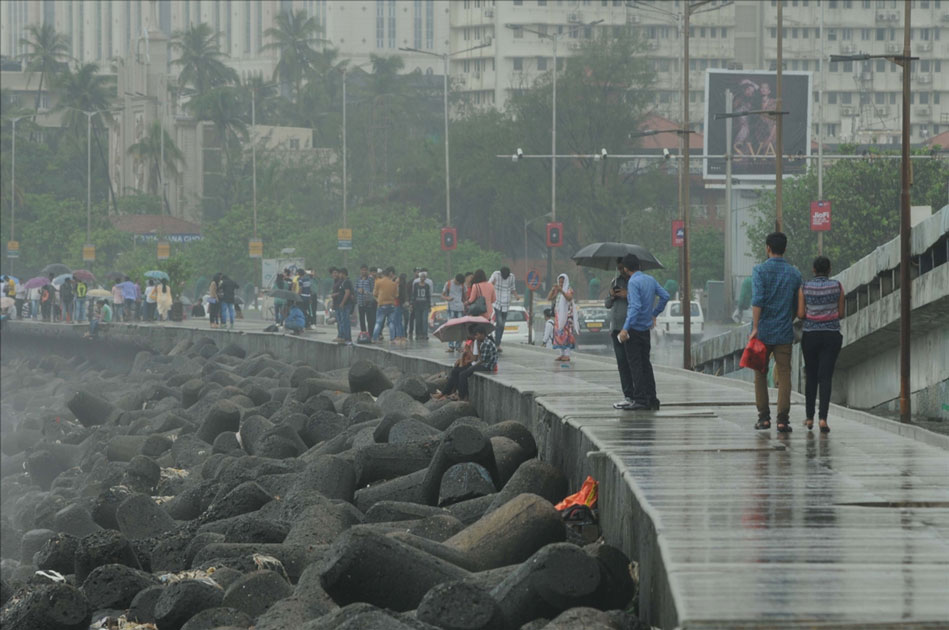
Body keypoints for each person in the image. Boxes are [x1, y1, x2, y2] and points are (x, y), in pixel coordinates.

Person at [749, 232, 802, 433]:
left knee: (760, 374)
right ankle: (783, 420)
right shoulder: (794, 274)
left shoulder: (759, 271)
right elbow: (798, 307)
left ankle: (763, 418)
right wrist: (787, 320)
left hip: (762, 331)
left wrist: (755, 328)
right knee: (785, 374)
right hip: (784, 331)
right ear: (785, 249)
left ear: (768, 248)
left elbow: (757, 301)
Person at [797, 256, 845, 434]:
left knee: (811, 376)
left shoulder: (805, 287)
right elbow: (841, 313)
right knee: (825, 377)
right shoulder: (837, 286)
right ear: (829, 269)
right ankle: (823, 418)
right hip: (831, 335)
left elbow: (801, 314)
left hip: (811, 336)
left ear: (814, 270)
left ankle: (809, 417)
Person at [617, 254, 669, 411]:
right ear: (639, 266)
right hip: (646, 330)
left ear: (625, 269)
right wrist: (654, 313)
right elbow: (665, 296)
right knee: (646, 364)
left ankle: (640, 399)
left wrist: (625, 328)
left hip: (634, 329)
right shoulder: (650, 280)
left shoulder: (633, 282)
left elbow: (635, 306)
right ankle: (652, 398)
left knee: (636, 366)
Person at [437, 326, 499, 401]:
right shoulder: (481, 342)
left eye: (477, 335)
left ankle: (461, 396)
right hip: (483, 364)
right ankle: (451, 393)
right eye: (475, 335)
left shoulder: (487, 343)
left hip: (487, 366)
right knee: (457, 372)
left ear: (482, 334)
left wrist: (471, 367)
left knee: (463, 374)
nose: (476, 337)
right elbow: (480, 358)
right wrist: (478, 348)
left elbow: (482, 360)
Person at [605, 258, 635, 409]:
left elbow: (638, 302)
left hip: (629, 329)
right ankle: (627, 394)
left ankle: (635, 394)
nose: (621, 269)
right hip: (615, 328)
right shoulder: (614, 282)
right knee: (621, 363)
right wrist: (612, 295)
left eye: (623, 267)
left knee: (631, 362)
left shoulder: (634, 282)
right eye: (618, 267)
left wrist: (626, 295)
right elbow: (607, 304)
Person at [547, 273, 578, 362]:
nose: (561, 284)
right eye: (559, 282)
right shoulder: (558, 291)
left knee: (566, 334)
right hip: (558, 315)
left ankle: (567, 354)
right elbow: (549, 298)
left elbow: (569, 298)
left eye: (562, 282)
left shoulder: (569, 289)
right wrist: (553, 290)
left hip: (567, 316)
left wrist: (562, 291)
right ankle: (561, 354)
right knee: (559, 334)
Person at [490, 267, 518, 349]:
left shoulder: (512, 277)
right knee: (500, 323)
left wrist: (516, 295)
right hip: (497, 303)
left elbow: (513, 288)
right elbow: (489, 284)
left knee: (502, 325)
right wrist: (493, 284)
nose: (505, 278)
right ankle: (496, 343)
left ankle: (497, 342)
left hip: (506, 304)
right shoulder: (496, 274)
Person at [372, 267, 399, 342]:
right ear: (390, 274)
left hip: (381, 305)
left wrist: (379, 298)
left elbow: (374, 293)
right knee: (391, 323)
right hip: (391, 305)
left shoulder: (378, 282)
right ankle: (392, 339)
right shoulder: (393, 284)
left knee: (378, 322)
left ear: (383, 274)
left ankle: (374, 338)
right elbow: (396, 295)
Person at [442, 274, 467, 352]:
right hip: (451, 308)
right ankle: (451, 346)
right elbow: (442, 295)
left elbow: (465, 296)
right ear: (456, 279)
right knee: (451, 327)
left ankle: (458, 345)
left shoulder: (463, 285)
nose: (459, 284)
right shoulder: (448, 284)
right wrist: (447, 298)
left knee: (460, 327)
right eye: (458, 282)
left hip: (460, 308)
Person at [356, 264, 377, 338]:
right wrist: (358, 290)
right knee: (362, 319)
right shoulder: (358, 279)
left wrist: (366, 292)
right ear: (360, 270)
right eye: (362, 270)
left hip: (368, 302)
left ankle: (370, 334)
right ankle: (363, 333)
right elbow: (356, 288)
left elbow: (374, 290)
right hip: (360, 302)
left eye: (365, 270)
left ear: (367, 271)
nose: (363, 271)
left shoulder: (370, 279)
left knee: (370, 320)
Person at [412, 270, 434, 341]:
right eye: (421, 277)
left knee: (424, 320)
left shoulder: (427, 286)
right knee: (418, 320)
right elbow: (414, 295)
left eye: (424, 277)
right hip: (417, 305)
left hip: (425, 305)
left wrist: (429, 305)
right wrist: (412, 304)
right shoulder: (416, 285)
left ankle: (425, 334)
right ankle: (418, 334)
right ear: (419, 277)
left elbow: (428, 296)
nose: (422, 278)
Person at [335, 268, 354, 344]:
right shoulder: (343, 282)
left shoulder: (346, 282)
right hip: (344, 305)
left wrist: (342, 303)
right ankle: (343, 337)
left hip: (346, 305)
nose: (339, 275)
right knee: (343, 321)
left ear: (343, 274)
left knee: (345, 322)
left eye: (340, 273)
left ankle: (347, 338)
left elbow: (347, 293)